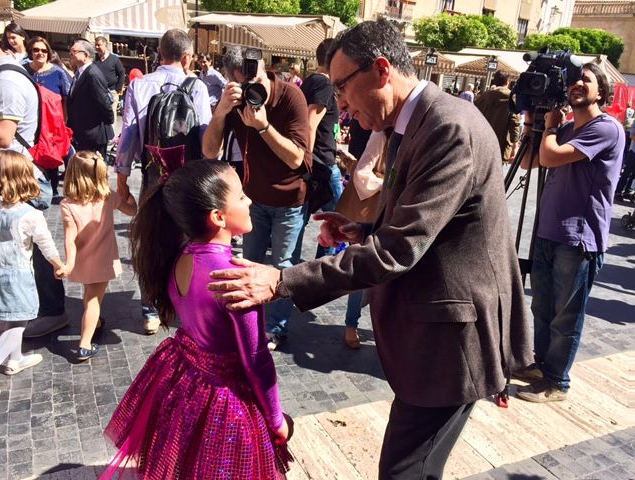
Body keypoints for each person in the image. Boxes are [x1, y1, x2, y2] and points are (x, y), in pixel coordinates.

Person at [207, 19, 532, 479]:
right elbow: (421, 223)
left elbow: (400, 250)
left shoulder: (447, 127)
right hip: (432, 339)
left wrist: (281, 280)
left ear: (381, 70)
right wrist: (363, 229)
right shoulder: (414, 122)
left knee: (404, 472)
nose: (338, 103)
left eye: (342, 86)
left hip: (451, 346)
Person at [101, 160, 292, 479]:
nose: (250, 201)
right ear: (218, 216)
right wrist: (276, 420)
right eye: (242, 196)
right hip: (225, 398)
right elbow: (256, 360)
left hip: (185, 378)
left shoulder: (181, 257)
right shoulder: (236, 279)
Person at [516, 63, 624, 403]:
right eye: (575, 80)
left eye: (586, 80)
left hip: (579, 239)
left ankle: (556, 382)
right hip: (549, 232)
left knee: (566, 316)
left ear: (602, 93)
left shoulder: (606, 128)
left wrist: (549, 129)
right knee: (543, 309)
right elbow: (528, 162)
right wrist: (534, 122)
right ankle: (541, 366)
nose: (577, 84)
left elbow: (550, 157)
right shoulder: (564, 129)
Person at [202, 46, 310, 351]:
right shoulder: (234, 104)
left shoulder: (291, 96)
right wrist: (222, 110)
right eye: (245, 86)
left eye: (258, 82)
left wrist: (263, 126)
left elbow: (296, 159)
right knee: (246, 263)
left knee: (282, 265)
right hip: (252, 200)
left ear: (264, 69)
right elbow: (210, 151)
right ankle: (248, 321)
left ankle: (275, 328)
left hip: (289, 200)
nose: (254, 91)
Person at [116, 28, 211, 335]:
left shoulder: (140, 85)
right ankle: (184, 304)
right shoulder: (196, 86)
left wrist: (121, 182)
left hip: (152, 177)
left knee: (150, 242)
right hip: (188, 181)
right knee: (189, 243)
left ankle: (150, 310)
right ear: (187, 57)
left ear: (160, 52)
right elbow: (206, 138)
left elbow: (128, 135)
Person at [0, 39, 67, 339]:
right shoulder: (9, 75)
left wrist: (60, 263)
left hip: (20, 175)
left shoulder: (7, 80)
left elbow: (3, 135)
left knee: (32, 247)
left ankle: (50, 311)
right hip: (17, 173)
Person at [0, 150, 64, 398]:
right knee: (17, 324)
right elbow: (46, 244)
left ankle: (14, 359)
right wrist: (58, 265)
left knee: (3, 320)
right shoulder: (31, 215)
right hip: (18, 278)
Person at [59, 151, 136, 361]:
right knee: (94, 299)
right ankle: (84, 344)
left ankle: (96, 322)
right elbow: (132, 211)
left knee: (89, 294)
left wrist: (69, 263)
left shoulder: (67, 204)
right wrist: (129, 195)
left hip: (82, 260)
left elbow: (69, 238)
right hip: (103, 260)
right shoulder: (108, 196)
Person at [335, 130, 388, 349]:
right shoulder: (382, 135)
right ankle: (351, 325)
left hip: (394, 214)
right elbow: (362, 174)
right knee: (362, 271)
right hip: (372, 214)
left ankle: (384, 328)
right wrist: (389, 184)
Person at [298, 38, 342, 258]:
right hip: (322, 163)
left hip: (316, 160)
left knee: (302, 217)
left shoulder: (309, 82)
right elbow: (310, 125)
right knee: (341, 219)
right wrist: (307, 162)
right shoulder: (323, 84)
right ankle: (324, 267)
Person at [24, 36, 72, 195]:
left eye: (44, 50)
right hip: (29, 122)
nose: (40, 53)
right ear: (30, 52)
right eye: (36, 50)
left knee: (50, 157)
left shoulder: (57, 72)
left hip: (52, 124)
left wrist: (63, 122)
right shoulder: (23, 70)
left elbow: (66, 98)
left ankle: (51, 190)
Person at [67, 39, 114, 159]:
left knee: (93, 171)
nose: (71, 54)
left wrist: (108, 121)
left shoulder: (92, 74)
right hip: (83, 132)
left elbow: (104, 102)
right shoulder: (80, 72)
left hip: (93, 134)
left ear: (86, 55)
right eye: (71, 51)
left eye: (74, 51)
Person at [474, 70, 521, 163]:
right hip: (500, 145)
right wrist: (515, 146)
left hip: (480, 142)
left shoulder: (483, 97)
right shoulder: (511, 98)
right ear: (508, 81)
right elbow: (514, 123)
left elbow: (472, 116)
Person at [94, 36, 126, 124]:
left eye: (99, 45)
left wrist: (117, 89)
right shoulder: (95, 60)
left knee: (110, 115)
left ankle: (111, 136)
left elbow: (122, 73)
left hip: (111, 92)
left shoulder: (114, 59)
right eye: (95, 45)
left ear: (105, 45)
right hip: (98, 92)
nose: (96, 47)